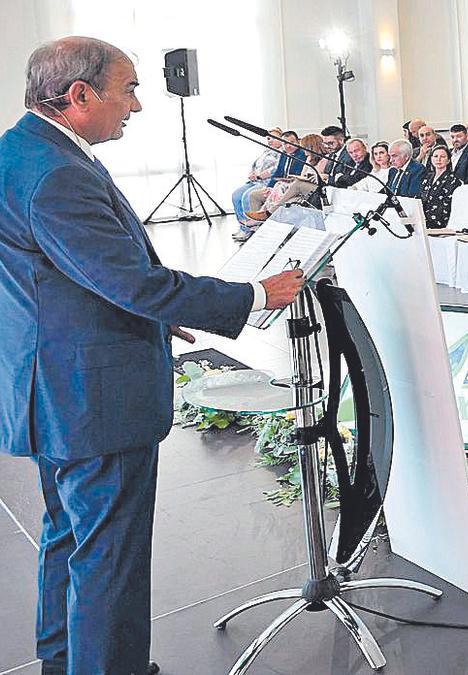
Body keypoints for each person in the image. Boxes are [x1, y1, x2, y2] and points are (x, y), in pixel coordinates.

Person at [1, 36, 305, 675]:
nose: (136, 105)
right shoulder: (59, 173)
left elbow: (60, 277)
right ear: (79, 96)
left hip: (52, 381)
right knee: (109, 553)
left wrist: (158, 323)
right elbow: (129, 281)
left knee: (70, 538)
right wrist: (255, 292)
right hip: (91, 398)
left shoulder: (22, 151)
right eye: (128, 88)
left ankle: (62, 659)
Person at [418, 146, 464, 230]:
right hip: (422, 220)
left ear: (448, 160)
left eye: (442, 157)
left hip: (440, 222)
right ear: (431, 159)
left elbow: (448, 205)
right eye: (435, 156)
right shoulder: (427, 177)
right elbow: (420, 198)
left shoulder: (453, 180)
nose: (438, 159)